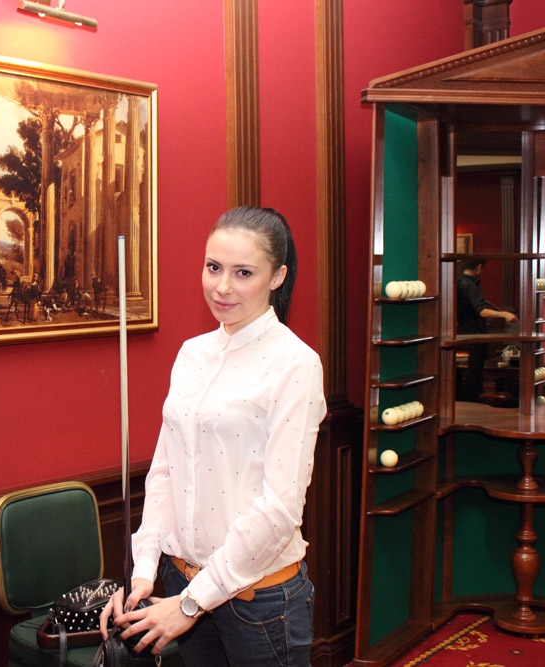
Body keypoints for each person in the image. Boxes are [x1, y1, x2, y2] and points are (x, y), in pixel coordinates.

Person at [99, 206, 327, 666]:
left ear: (278, 276)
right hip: (181, 584)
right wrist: (143, 573)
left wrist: (191, 603)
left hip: (257, 601)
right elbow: (166, 472)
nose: (222, 287)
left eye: (243, 272)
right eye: (213, 267)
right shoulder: (192, 354)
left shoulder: (296, 364)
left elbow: (281, 508)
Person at [456, 258, 517, 401]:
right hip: (475, 333)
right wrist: (504, 314)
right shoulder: (470, 286)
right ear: (479, 267)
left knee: (467, 369)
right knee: (475, 369)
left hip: (462, 331)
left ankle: (464, 399)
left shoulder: (457, 283)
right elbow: (482, 311)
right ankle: (471, 400)